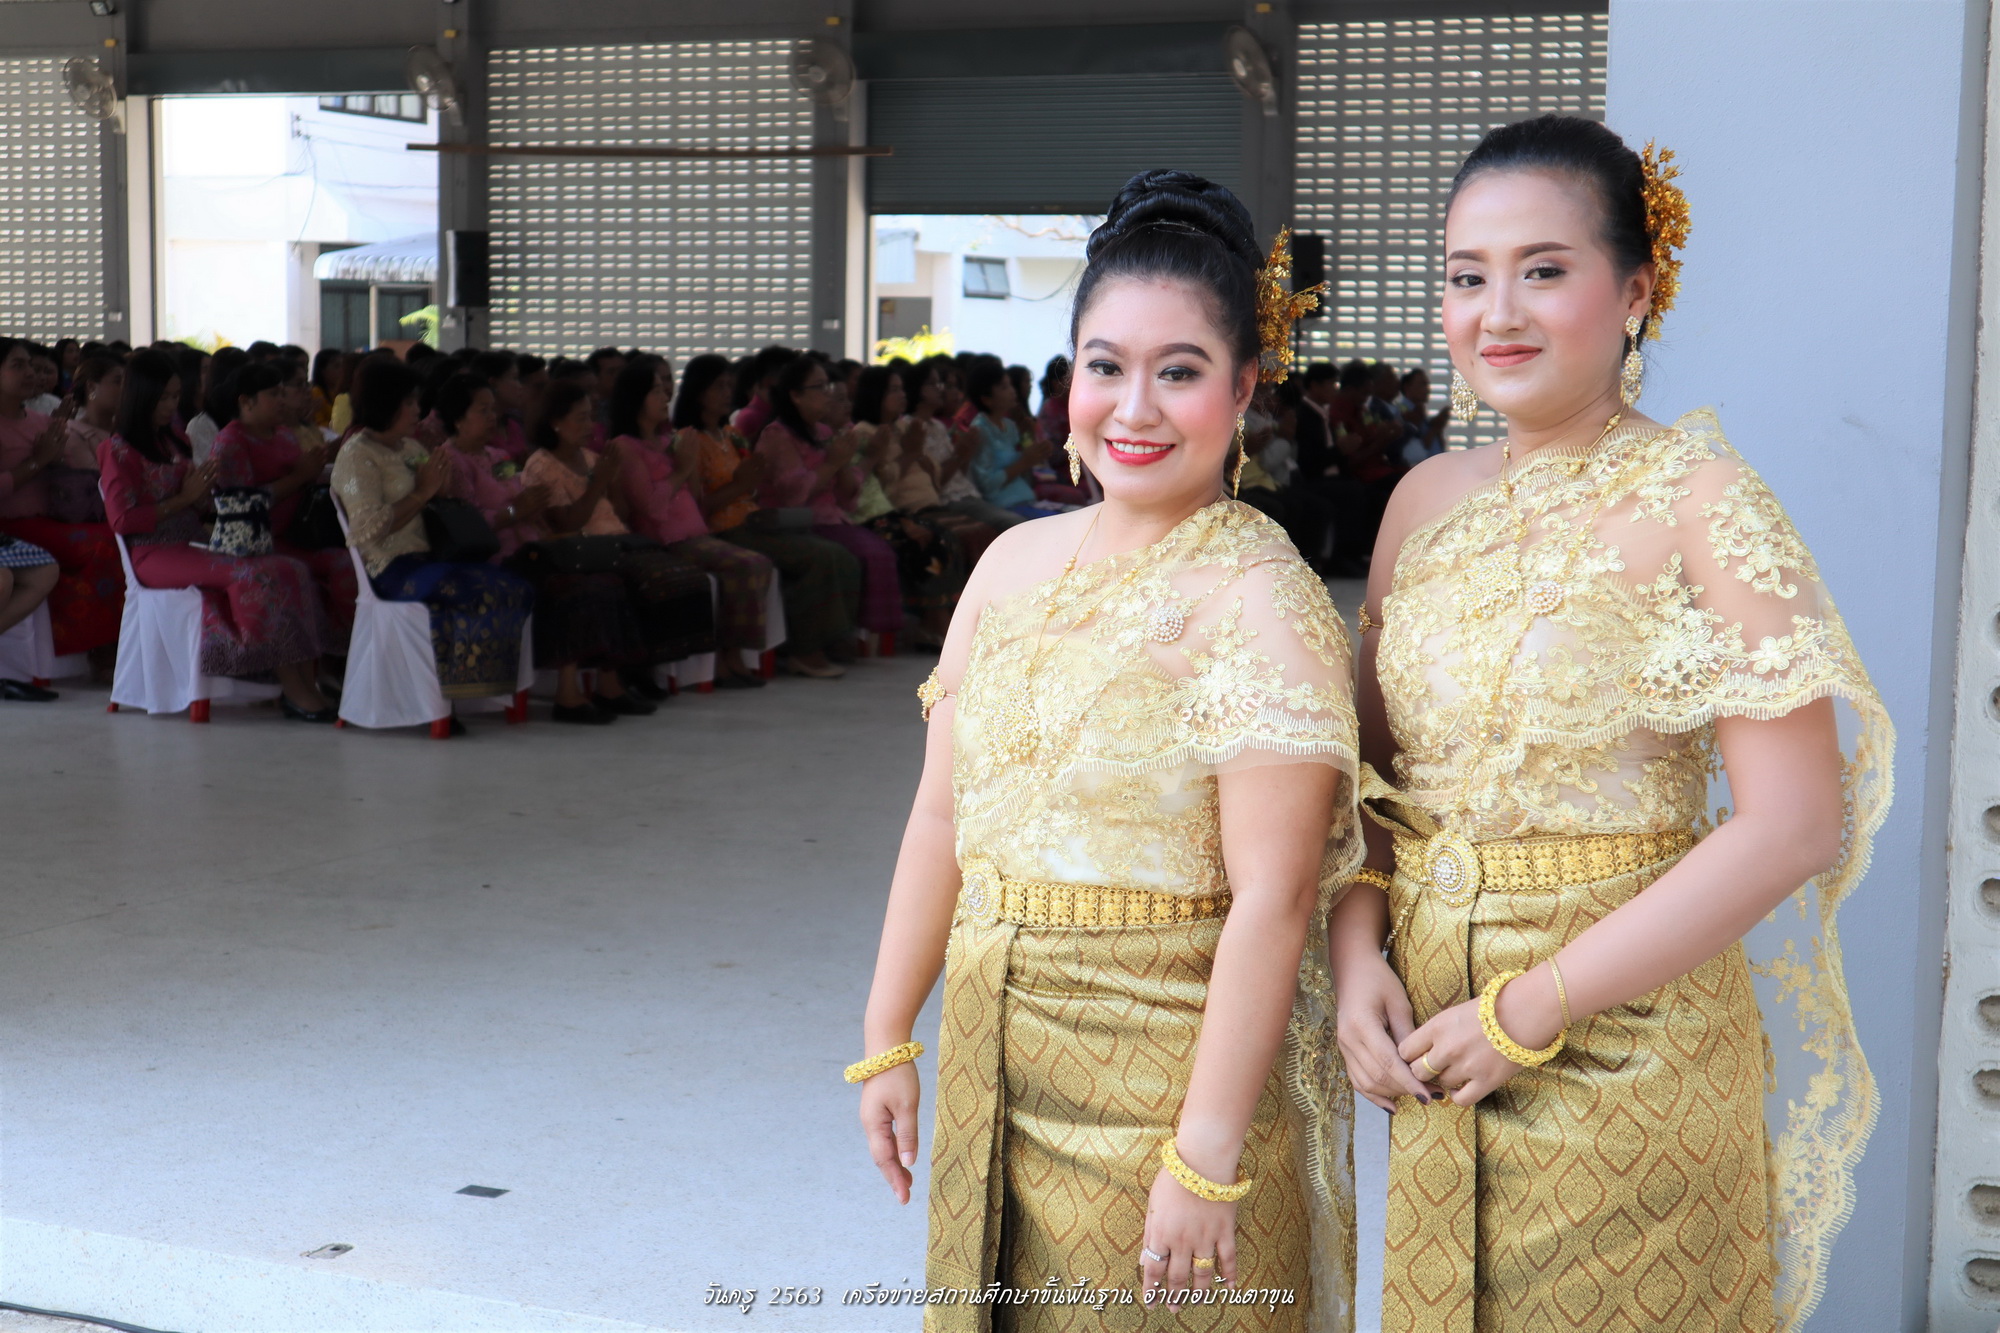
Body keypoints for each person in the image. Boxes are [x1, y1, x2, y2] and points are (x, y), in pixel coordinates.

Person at [1330, 116, 1892, 1333]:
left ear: (1635, 291)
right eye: (1465, 277)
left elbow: (1794, 823)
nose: (1496, 313)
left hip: (1629, 1044)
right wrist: (1352, 957)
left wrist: (1530, 1007)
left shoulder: (1701, 498)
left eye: (1542, 270)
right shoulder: (1420, 500)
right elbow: (1370, 785)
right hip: (1439, 1050)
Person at [854, 170, 1364, 1328]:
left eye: (1177, 371)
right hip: (992, 1064)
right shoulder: (1011, 562)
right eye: (1103, 366)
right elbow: (942, 813)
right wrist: (886, 1032)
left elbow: (1275, 897)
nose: (1133, 408)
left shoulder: (1258, 595)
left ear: (1242, 387)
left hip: (1165, 1095)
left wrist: (1204, 1153)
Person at [100, 350, 334, 720]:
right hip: (151, 553)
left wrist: (202, 496)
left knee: (290, 569)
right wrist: (184, 499)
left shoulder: (174, 441)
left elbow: (197, 503)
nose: (171, 405)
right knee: (253, 573)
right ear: (141, 397)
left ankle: (304, 683)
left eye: (175, 396)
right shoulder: (117, 449)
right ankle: (289, 685)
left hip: (190, 540)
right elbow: (123, 520)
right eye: (163, 398)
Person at [330, 358, 533, 724]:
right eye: (409, 402)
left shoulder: (409, 448)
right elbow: (367, 528)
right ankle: (443, 701)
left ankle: (477, 692)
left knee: (511, 585)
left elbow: (440, 498)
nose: (417, 410)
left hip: (429, 557)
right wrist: (423, 492)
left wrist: (443, 485)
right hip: (389, 566)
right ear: (385, 403)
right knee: (471, 589)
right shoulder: (357, 454)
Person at [519, 378, 715, 702]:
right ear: (555, 422)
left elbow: (620, 512)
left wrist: (611, 484)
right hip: (579, 550)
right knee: (645, 581)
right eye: (581, 418)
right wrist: (599, 483)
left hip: (615, 542)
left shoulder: (592, 458)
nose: (590, 425)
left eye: (591, 416)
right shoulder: (541, 465)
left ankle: (645, 667)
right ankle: (626, 674)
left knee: (682, 575)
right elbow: (566, 523)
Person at [671, 353, 859, 680]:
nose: (727, 393)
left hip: (753, 520)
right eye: (718, 386)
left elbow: (755, 489)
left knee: (839, 555)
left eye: (729, 385)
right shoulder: (690, 439)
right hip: (723, 528)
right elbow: (696, 506)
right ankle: (804, 650)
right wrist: (741, 486)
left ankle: (826, 641)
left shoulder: (729, 435)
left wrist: (751, 488)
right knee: (819, 556)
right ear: (698, 392)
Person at [610, 355, 773, 689]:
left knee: (757, 563)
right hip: (666, 539)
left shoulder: (669, 441)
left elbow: (695, 501)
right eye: (656, 392)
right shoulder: (625, 448)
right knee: (747, 564)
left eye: (664, 390)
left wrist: (691, 467)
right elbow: (652, 507)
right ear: (636, 399)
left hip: (695, 532)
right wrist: (683, 468)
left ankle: (732, 653)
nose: (665, 397)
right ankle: (726, 655)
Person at [753, 354, 904, 646]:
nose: (828, 395)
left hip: (831, 518)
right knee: (846, 556)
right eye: (819, 387)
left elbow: (846, 495)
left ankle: (858, 639)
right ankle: (816, 645)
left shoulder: (823, 432)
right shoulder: (777, 434)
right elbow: (793, 494)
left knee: (879, 551)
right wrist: (833, 463)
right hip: (793, 523)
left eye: (828, 387)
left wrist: (845, 463)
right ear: (795, 395)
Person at [212, 361, 356, 655]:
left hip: (300, 533)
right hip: (260, 542)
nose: (282, 400)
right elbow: (241, 505)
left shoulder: (283, 434)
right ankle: (340, 652)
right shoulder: (232, 441)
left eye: (282, 393)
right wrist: (299, 477)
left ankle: (349, 652)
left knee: (355, 558)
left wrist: (317, 469)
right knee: (340, 565)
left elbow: (303, 477)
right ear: (246, 401)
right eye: (273, 394)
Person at [848, 365, 966, 649]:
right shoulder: (864, 433)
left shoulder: (904, 427)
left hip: (916, 505)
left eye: (902, 388)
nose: (902, 395)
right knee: (932, 539)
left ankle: (948, 619)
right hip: (889, 508)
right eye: (893, 390)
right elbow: (881, 486)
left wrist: (919, 454)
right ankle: (932, 621)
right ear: (875, 394)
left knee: (949, 536)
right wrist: (910, 453)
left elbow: (932, 472)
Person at [962, 359, 1058, 519]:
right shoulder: (980, 430)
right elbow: (986, 485)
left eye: (1010, 385)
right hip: (1004, 505)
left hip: (1026, 498)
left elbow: (1027, 474)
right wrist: (1024, 461)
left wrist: (1036, 450)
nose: (1012, 391)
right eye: (1004, 387)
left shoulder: (1010, 426)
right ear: (986, 399)